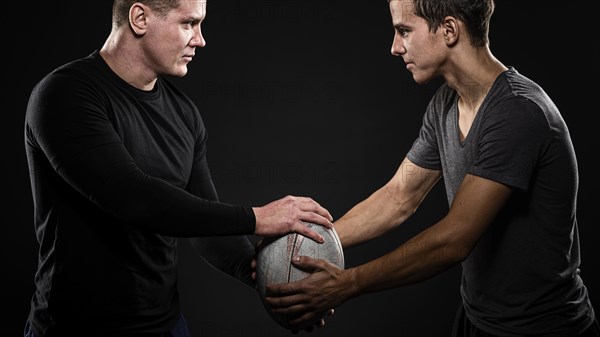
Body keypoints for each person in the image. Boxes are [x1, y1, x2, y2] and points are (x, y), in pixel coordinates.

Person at [263, 0, 599, 336]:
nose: (395, 47)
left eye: (404, 31)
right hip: (476, 321)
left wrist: (348, 283)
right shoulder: (446, 104)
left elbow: (455, 238)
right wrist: (301, 245)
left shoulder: (518, 112)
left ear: (449, 30)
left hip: (545, 329)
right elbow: (398, 197)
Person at [22, 0, 335, 336]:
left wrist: (272, 283)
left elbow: (205, 230)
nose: (200, 39)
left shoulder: (184, 114)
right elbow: (132, 196)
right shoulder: (65, 95)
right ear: (139, 18)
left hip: (166, 326)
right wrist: (258, 218)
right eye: (189, 24)